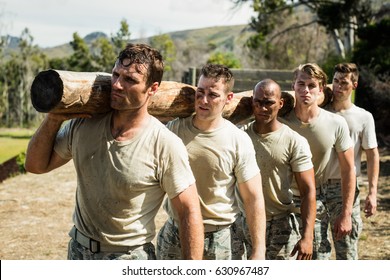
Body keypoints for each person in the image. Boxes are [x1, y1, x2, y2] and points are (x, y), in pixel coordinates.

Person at [24, 43, 204, 260]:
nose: (117, 85)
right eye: (115, 75)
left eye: (130, 80)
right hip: (79, 250)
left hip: (129, 257)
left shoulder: (165, 144)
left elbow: (189, 212)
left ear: (153, 89)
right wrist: (54, 117)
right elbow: (35, 165)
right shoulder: (83, 125)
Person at [156, 63, 266, 260]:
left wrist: (259, 250)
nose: (203, 100)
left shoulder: (238, 140)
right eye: (200, 92)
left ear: (228, 98)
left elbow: (253, 198)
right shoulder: (173, 130)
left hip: (218, 239)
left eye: (213, 95)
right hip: (175, 234)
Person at [280, 63, 356, 260]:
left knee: (317, 260)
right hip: (282, 203)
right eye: (301, 84)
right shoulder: (279, 121)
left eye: (312, 85)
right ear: (293, 86)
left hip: (316, 202)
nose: (306, 90)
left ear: (321, 89)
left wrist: (346, 214)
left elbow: (348, 170)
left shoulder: (336, 123)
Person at [241, 79, 316, 260]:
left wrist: (307, 236)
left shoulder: (294, 142)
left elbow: (308, 191)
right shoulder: (239, 136)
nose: (263, 108)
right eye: (258, 102)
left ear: (280, 104)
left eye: (269, 103)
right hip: (243, 225)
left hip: (279, 225)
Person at [325, 62, 379, 259]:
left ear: (354, 85)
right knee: (314, 253)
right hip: (317, 187)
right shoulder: (320, 112)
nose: (339, 86)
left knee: (346, 253)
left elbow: (372, 156)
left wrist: (372, 193)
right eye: (336, 81)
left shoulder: (364, 117)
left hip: (345, 189)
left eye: (344, 83)